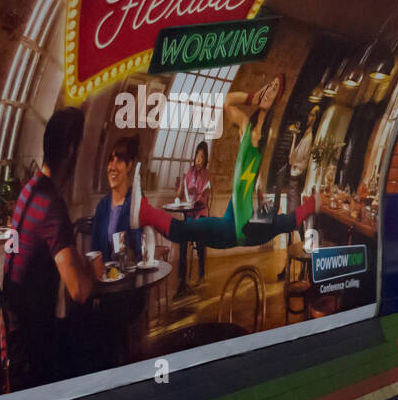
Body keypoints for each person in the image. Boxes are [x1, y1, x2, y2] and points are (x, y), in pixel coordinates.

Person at [136, 75, 315, 248]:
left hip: (242, 222)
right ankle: (146, 216)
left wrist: (259, 188)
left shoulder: (263, 137)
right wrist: (252, 98)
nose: (269, 90)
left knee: (189, 229)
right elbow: (226, 101)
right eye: (269, 85)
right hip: (235, 210)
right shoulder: (246, 125)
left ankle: (146, 214)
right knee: (191, 231)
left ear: (278, 99)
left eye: (275, 88)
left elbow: (254, 168)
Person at [2, 108, 101, 388]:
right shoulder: (52, 207)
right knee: (100, 338)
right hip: (32, 349)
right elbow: (79, 291)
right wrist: (94, 269)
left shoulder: (28, 189)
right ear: (71, 150)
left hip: (12, 329)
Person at [273, 107, 317, 280]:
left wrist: (294, 162)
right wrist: (293, 137)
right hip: (292, 186)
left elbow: (299, 162)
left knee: (298, 230)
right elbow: (292, 158)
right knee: (291, 231)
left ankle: (301, 270)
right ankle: (288, 268)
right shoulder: (302, 136)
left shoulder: (309, 137)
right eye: (310, 112)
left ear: (316, 117)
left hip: (296, 188)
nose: (309, 116)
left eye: (313, 114)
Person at [89, 134, 143, 262]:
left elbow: (140, 253)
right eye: (111, 160)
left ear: (129, 166)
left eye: (119, 161)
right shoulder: (102, 206)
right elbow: (94, 250)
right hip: (104, 278)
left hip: (130, 278)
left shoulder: (136, 204)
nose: (112, 167)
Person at [173, 140, 211, 298]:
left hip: (200, 215)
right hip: (188, 215)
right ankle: (182, 280)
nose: (199, 159)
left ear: (205, 159)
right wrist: (179, 191)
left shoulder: (206, 175)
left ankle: (201, 274)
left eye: (202, 157)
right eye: (197, 156)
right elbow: (180, 194)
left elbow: (205, 197)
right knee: (182, 240)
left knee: (200, 239)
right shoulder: (188, 173)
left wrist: (198, 198)